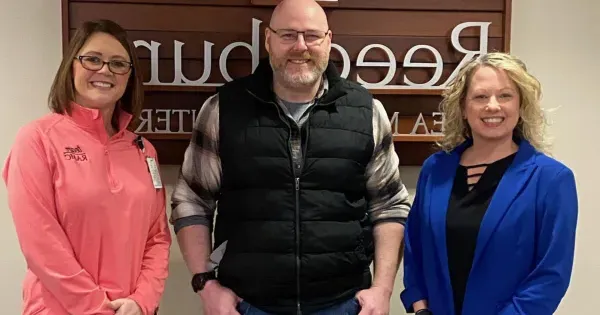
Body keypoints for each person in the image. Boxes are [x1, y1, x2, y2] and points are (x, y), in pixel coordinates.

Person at [170, 0, 411, 314]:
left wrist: (383, 289)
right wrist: (205, 283)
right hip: (247, 304)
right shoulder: (223, 109)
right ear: (268, 39)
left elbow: (389, 205)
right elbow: (192, 200)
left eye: (312, 36)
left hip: (343, 303)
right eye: (288, 35)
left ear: (328, 40)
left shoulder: (366, 112)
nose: (300, 46)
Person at [3, 19, 171, 315]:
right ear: (71, 66)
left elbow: (157, 238)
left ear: (129, 77)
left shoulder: (144, 150)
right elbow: (41, 244)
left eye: (119, 64)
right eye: (93, 59)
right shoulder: (37, 140)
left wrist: (142, 301)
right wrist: (97, 308)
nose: (105, 70)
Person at [400, 52, 578, 315]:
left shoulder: (551, 179)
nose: (492, 106)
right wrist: (419, 304)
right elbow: (415, 244)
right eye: (480, 96)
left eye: (505, 95)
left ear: (521, 105)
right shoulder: (436, 169)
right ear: (463, 107)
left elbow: (551, 275)